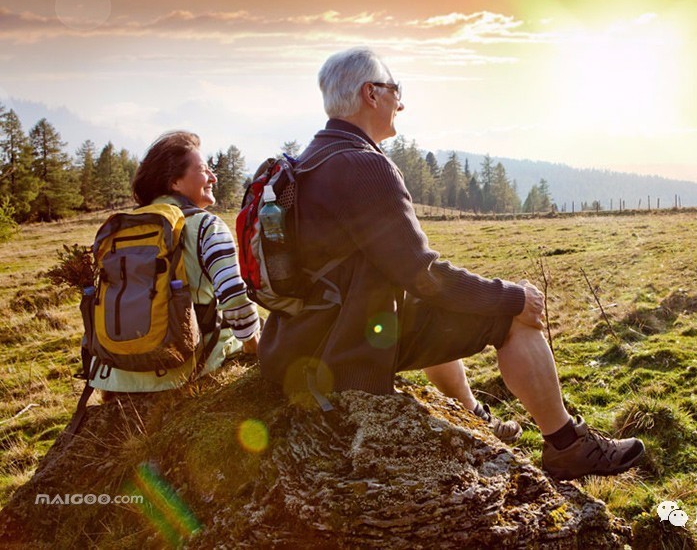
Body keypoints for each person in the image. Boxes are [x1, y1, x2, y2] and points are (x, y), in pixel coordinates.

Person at [258, 48, 644, 479]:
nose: (399, 102)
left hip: (297, 344)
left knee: (435, 309)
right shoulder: (363, 166)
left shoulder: (309, 160)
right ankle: (567, 446)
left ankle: (475, 415)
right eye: (394, 90)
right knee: (512, 319)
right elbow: (423, 277)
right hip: (339, 355)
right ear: (371, 94)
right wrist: (512, 296)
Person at [90, 131, 260, 394]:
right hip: (182, 369)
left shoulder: (123, 228)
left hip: (119, 374)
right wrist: (255, 350)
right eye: (203, 170)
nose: (213, 177)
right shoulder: (207, 226)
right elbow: (234, 299)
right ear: (175, 183)